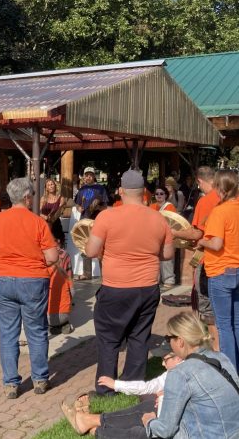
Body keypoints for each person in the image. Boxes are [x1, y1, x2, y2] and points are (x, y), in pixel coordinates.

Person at [85, 170, 173, 395]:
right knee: (139, 337)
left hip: (116, 287)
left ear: (121, 191)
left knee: (109, 339)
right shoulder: (158, 218)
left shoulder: (106, 217)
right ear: (144, 192)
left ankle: (106, 388)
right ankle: (133, 385)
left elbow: (92, 251)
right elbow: (167, 254)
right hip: (147, 287)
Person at [0, 177, 58, 399]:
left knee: (7, 334)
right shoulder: (38, 222)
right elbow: (53, 256)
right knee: (36, 331)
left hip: (2, 279)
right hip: (33, 280)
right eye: (32, 196)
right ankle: (40, 379)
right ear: (27, 197)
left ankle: (11, 384)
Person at [141, 313, 239, 439]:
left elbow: (165, 430)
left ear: (180, 341)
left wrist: (149, 422)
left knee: (141, 429)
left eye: (169, 338)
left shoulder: (179, 373)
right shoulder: (222, 358)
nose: (168, 342)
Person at [197, 170, 239, 376]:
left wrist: (202, 241)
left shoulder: (220, 211)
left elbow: (216, 243)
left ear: (219, 188)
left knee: (223, 325)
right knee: (237, 320)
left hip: (220, 271)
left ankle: (229, 370)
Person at [60, 347, 184, 437]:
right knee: (148, 403)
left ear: (178, 358)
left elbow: (166, 429)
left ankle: (93, 427)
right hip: (175, 423)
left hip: (179, 430)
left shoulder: (184, 374)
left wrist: (115, 385)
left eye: (165, 359)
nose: (162, 363)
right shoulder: (180, 370)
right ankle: (92, 422)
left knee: (140, 430)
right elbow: (150, 386)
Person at [171, 166, 220, 350]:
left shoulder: (205, 201)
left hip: (208, 260)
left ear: (200, 181)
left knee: (207, 308)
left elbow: (196, 233)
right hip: (229, 262)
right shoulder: (232, 199)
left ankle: (214, 349)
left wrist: (174, 232)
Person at [75, 167, 109, 280]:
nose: (88, 177)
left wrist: (97, 206)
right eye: (86, 175)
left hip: (97, 220)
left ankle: (104, 274)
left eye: (90, 175)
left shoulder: (100, 189)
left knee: (101, 247)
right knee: (85, 245)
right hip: (84, 220)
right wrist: (79, 207)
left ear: (94, 176)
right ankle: (87, 273)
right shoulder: (81, 190)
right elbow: (78, 204)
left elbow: (105, 207)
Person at [48, 241, 74, 334]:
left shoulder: (45, 273)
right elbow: (73, 292)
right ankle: (65, 326)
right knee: (64, 315)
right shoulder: (65, 275)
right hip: (64, 313)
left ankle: (53, 327)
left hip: (48, 315)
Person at [40, 179, 66, 245]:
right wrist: (44, 217)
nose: (51, 186)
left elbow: (60, 210)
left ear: (55, 185)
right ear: (46, 188)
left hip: (55, 224)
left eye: (52, 184)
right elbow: (38, 212)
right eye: (48, 185)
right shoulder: (43, 199)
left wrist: (53, 216)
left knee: (57, 245)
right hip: (44, 224)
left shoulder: (61, 198)